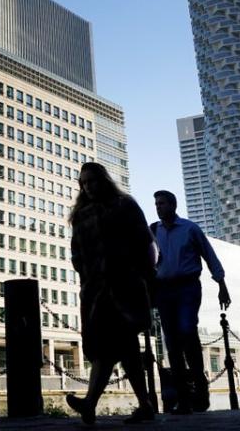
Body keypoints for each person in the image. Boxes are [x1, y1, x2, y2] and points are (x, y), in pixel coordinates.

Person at [66, 162, 155, 425]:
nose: (87, 186)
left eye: (92, 181)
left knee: (112, 346)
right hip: (95, 290)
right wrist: (85, 277)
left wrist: (145, 276)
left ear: (103, 180)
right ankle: (144, 404)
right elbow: (76, 253)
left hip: (124, 285)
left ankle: (91, 403)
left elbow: (144, 242)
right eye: (83, 182)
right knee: (121, 347)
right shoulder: (81, 215)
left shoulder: (124, 205)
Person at [151, 190, 230, 414]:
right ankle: (183, 398)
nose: (159, 207)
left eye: (163, 203)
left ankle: (200, 389)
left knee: (186, 330)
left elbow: (209, 254)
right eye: (156, 204)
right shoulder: (153, 230)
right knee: (172, 342)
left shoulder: (190, 229)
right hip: (164, 290)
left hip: (187, 287)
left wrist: (221, 284)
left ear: (173, 205)